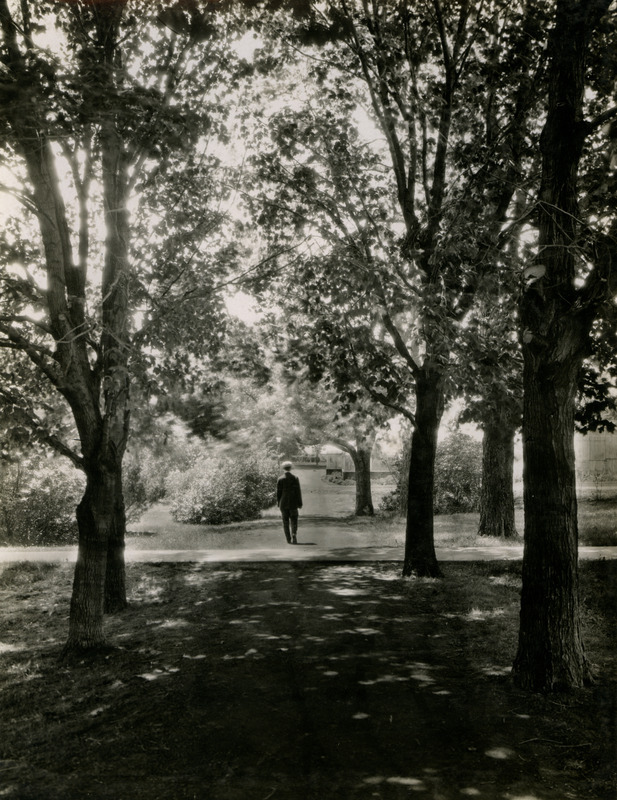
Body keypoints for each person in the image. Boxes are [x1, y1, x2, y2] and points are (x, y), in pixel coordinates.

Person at [276, 461, 303, 544]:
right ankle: (294, 534)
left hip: (283, 503)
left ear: (283, 468)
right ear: (290, 468)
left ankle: (288, 538)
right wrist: (300, 503)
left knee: (285, 521)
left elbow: (278, 493)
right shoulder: (295, 478)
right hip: (293, 503)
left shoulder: (280, 479)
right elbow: (298, 492)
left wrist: (278, 502)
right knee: (294, 520)